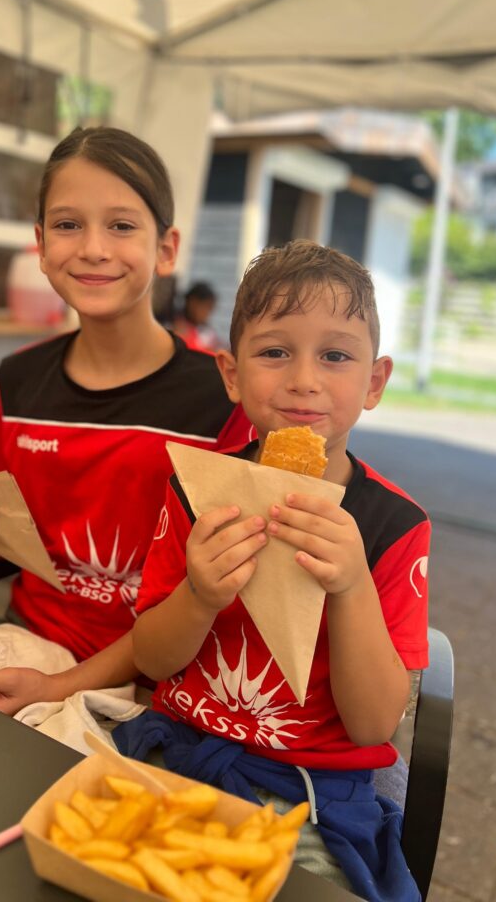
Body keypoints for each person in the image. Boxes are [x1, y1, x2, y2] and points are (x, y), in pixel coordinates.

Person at [115, 241, 429, 901]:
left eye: (336, 355)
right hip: (178, 752)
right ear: (231, 375)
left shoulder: (395, 527)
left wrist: (351, 586)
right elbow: (152, 658)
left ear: (375, 382)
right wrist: (199, 596)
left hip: (307, 793)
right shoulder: (196, 490)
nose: (303, 380)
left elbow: (375, 724)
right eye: (275, 351)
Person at [0, 126, 251, 715]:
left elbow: (225, 594)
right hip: (30, 641)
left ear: (167, 248)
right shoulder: (19, 379)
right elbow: (8, 533)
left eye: (122, 225)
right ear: (42, 245)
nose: (93, 248)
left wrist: (61, 688)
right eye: (69, 225)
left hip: (168, 675)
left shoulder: (224, 398)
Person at [172, 280, 221, 353]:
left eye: (210, 309)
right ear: (192, 303)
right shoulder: (177, 328)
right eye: (206, 307)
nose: (207, 313)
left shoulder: (206, 330)